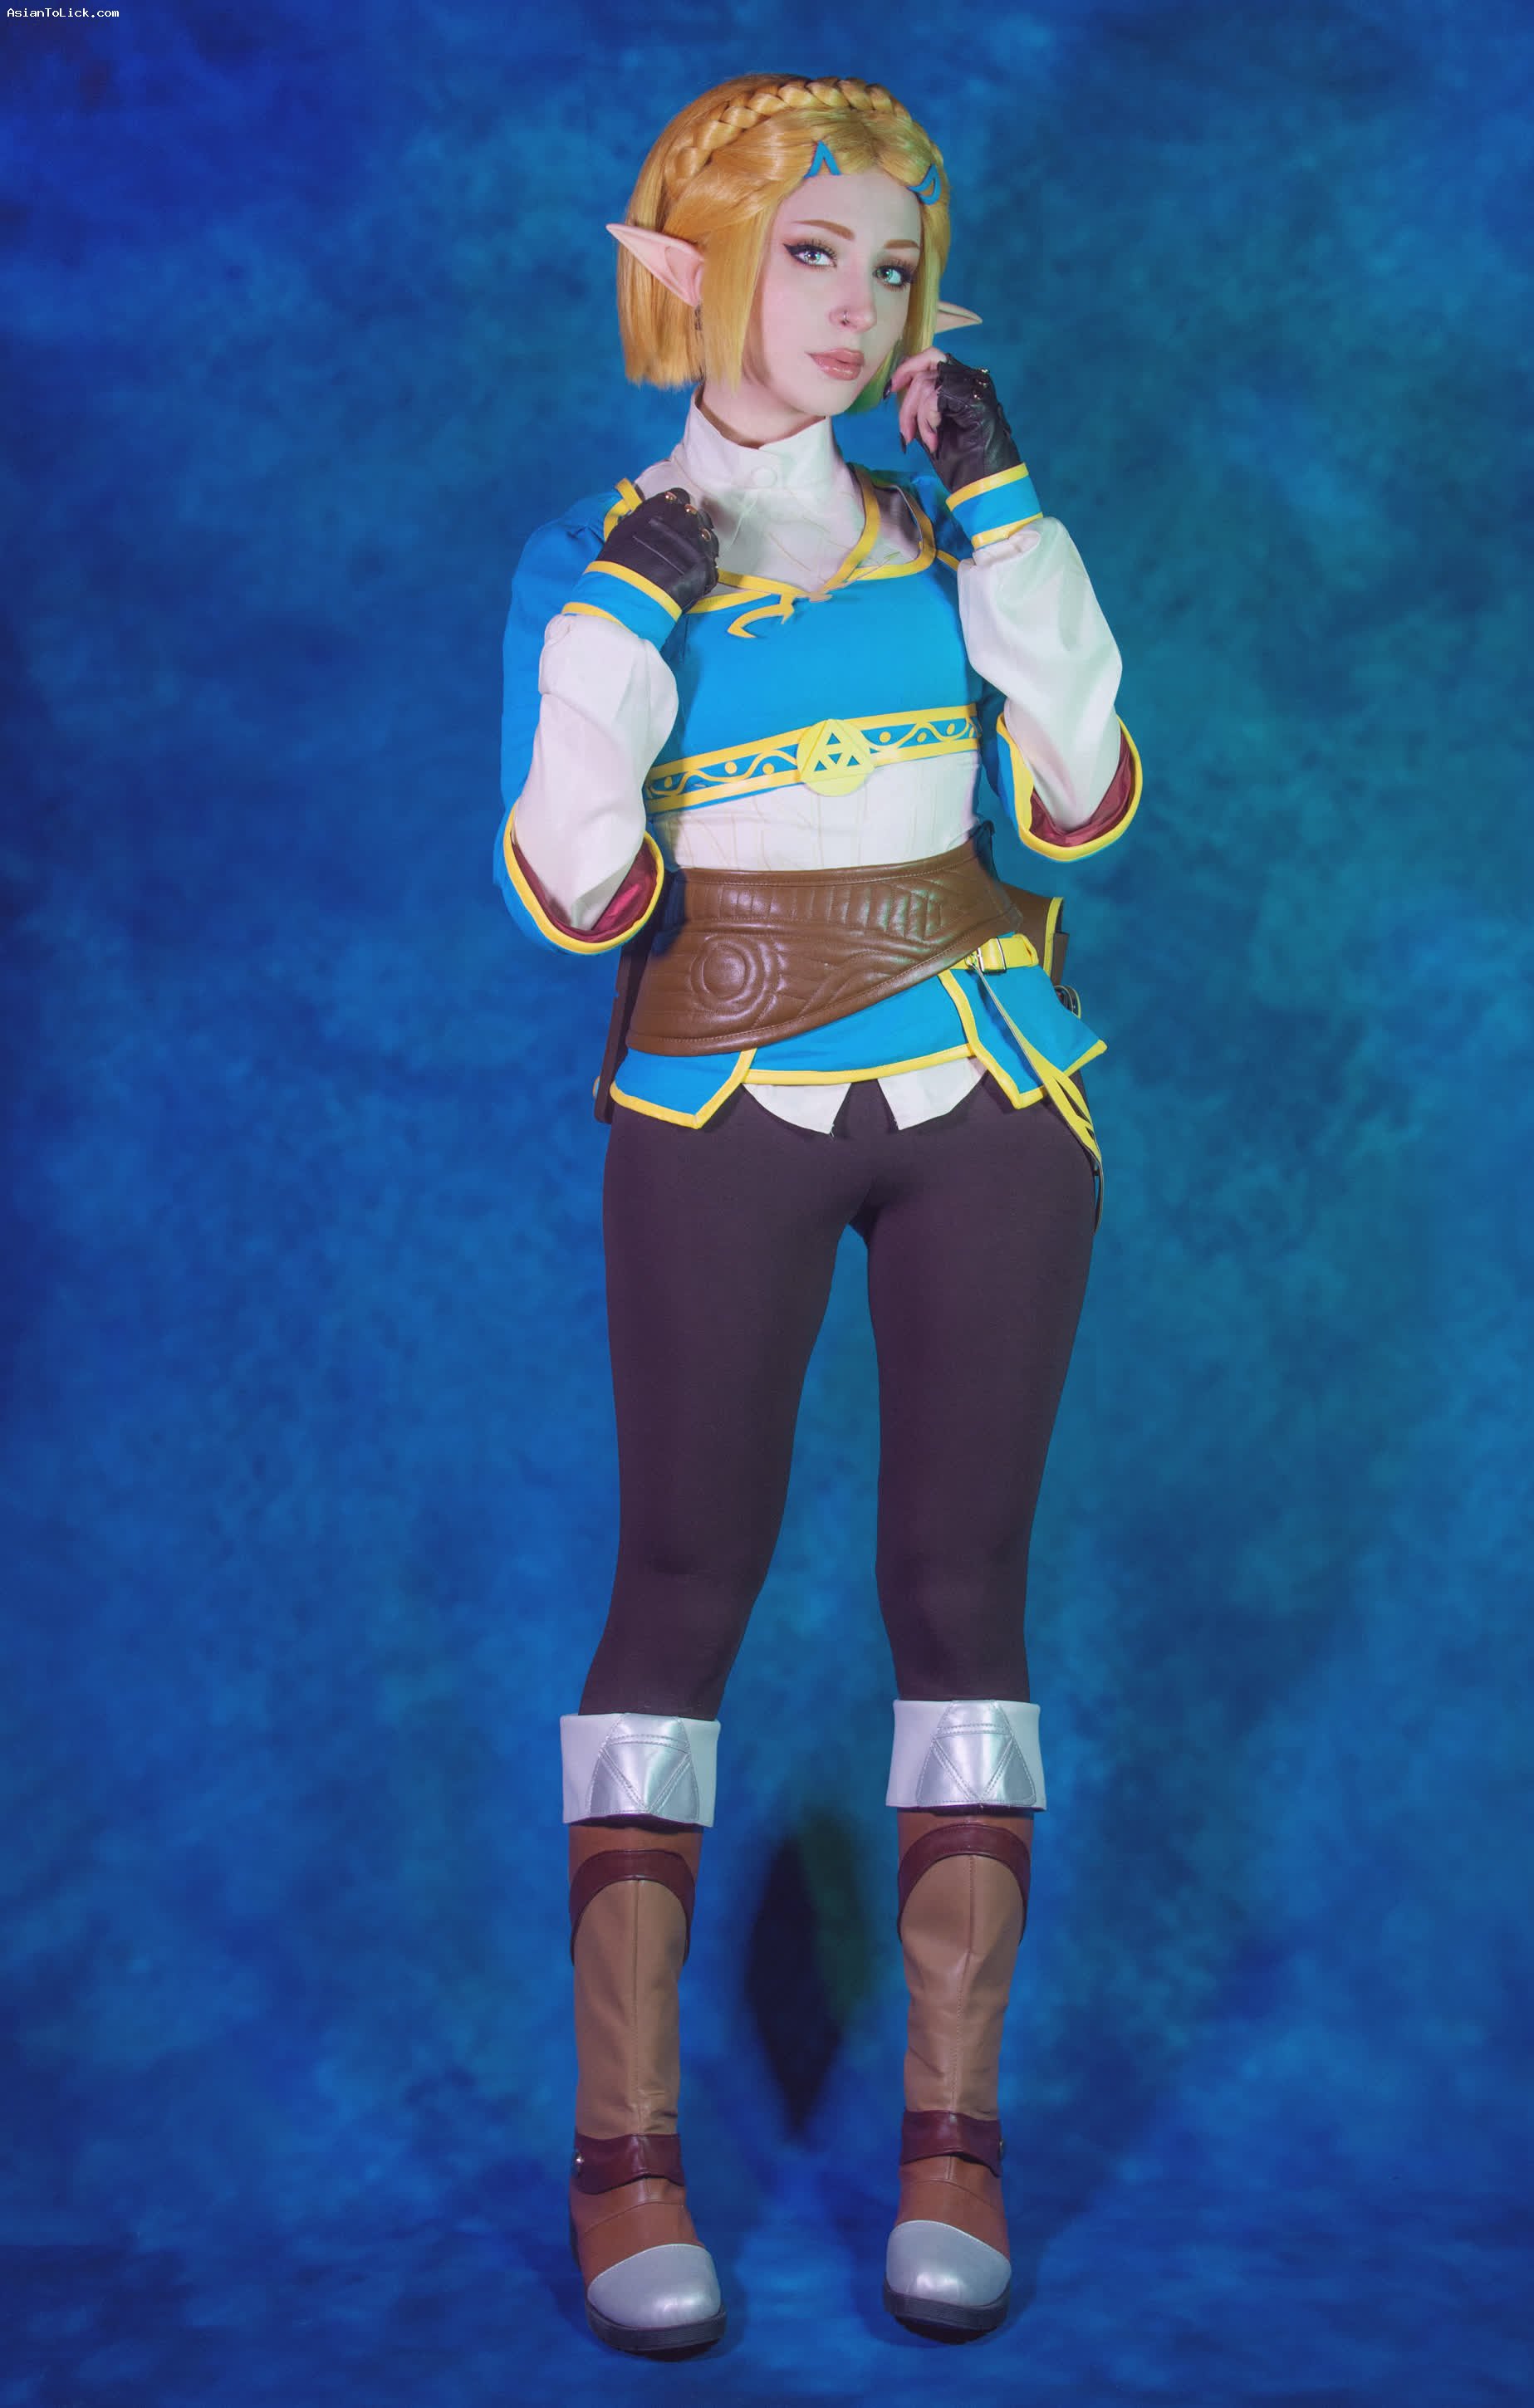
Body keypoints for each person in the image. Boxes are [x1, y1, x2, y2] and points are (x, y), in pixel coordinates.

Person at [494, 71, 1139, 2357]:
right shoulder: (596, 558)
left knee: (964, 1589)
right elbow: (579, 881)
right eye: (809, 253)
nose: (857, 305)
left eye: (891, 265)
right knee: (682, 1579)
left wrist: (1012, 516)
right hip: (717, 1086)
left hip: (993, 1086)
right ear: (689, 268)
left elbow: (1082, 792)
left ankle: (957, 2139)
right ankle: (626, 2157)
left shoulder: (958, 539)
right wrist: (627, 609)